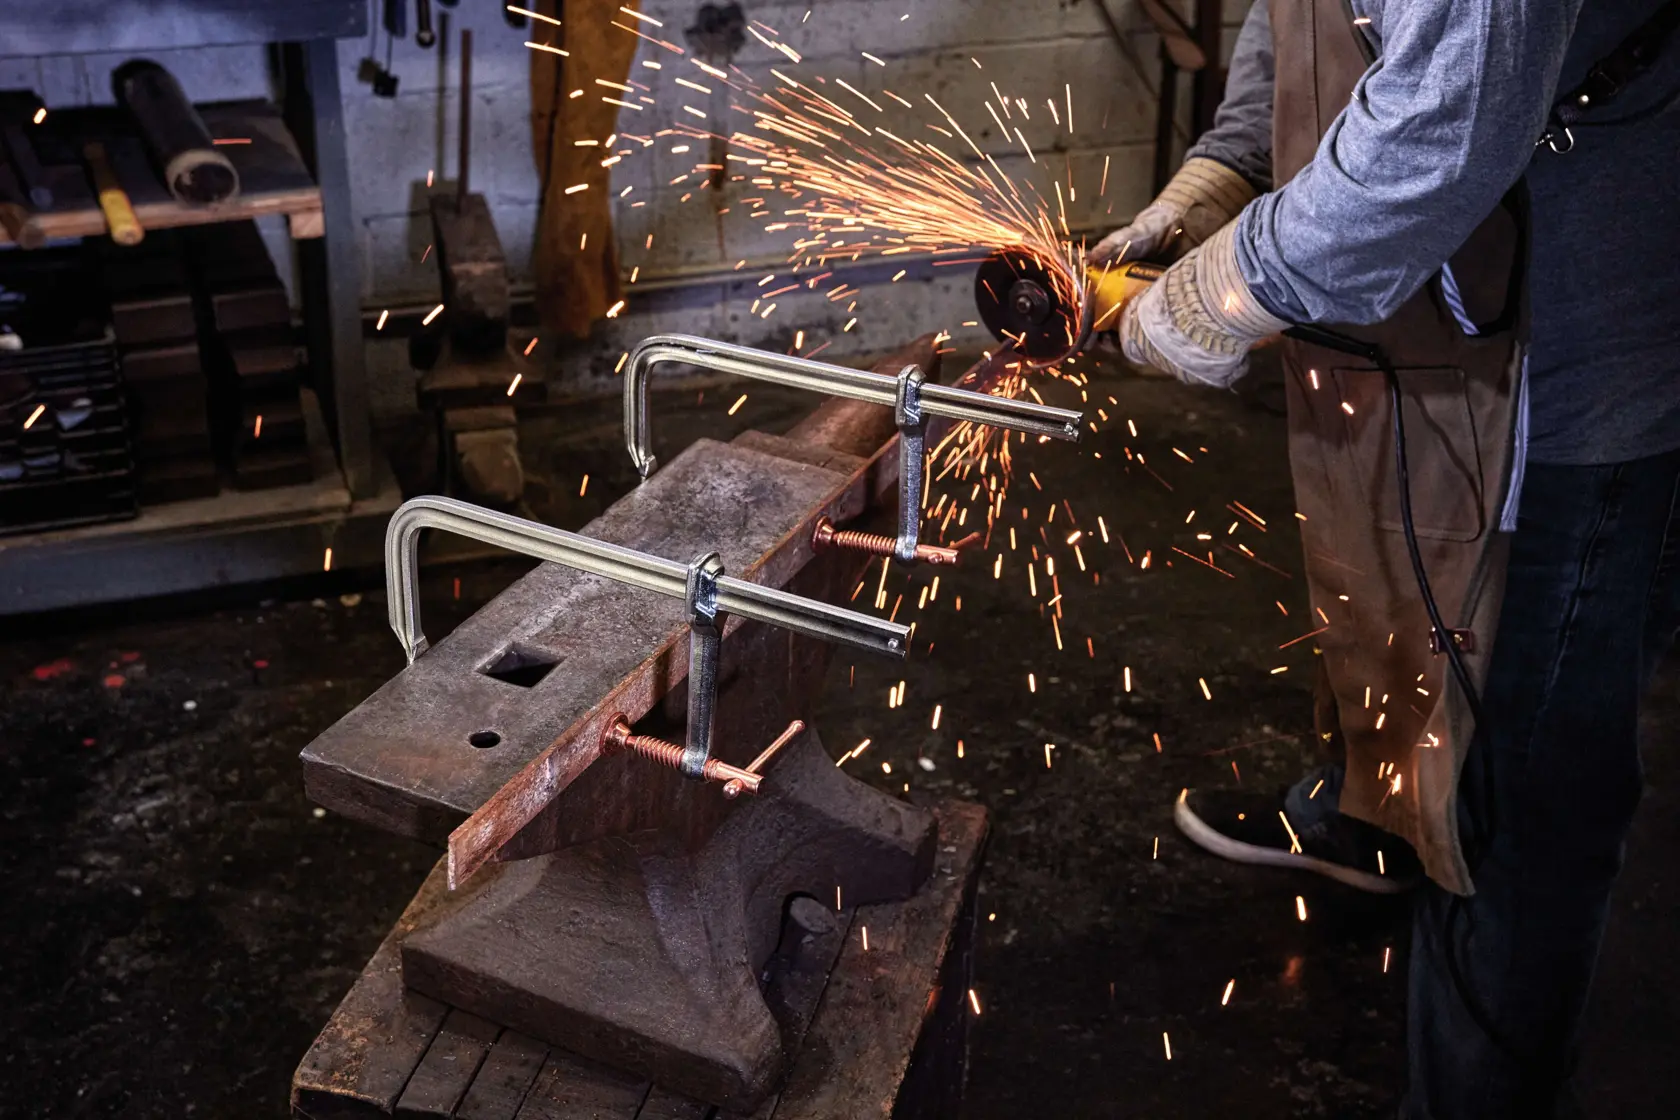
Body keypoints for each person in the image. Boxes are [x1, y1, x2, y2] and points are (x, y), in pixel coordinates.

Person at [1093, 0, 1680, 1116]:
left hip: (1588, 357)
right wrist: (1222, 169)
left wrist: (1225, 290)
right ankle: (1379, 811)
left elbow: (1435, 137)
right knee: (1404, 606)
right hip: (1432, 313)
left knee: (1520, 801)